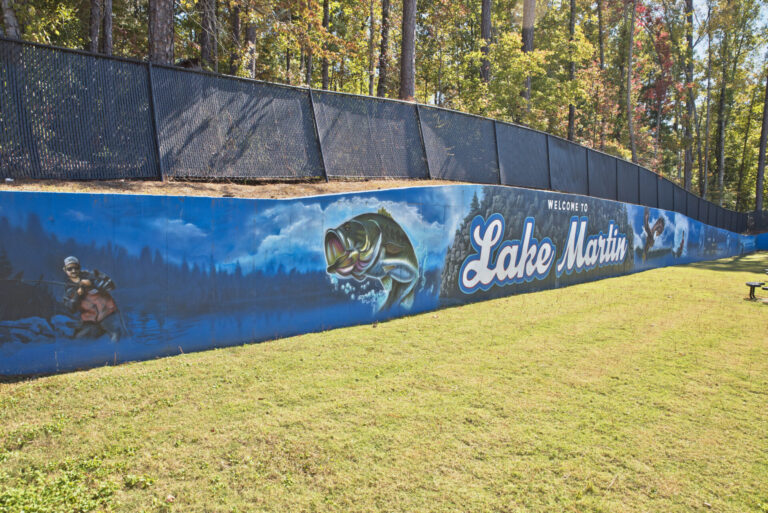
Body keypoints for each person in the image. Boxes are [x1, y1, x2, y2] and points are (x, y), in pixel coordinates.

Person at [62, 256, 123, 341]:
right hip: (90, 321)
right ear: (65, 270)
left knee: (116, 336)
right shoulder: (68, 289)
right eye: (70, 269)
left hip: (108, 314)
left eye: (76, 267)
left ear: (79, 267)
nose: (73, 271)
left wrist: (93, 284)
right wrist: (77, 294)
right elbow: (71, 309)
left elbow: (111, 285)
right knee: (78, 341)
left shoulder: (93, 274)